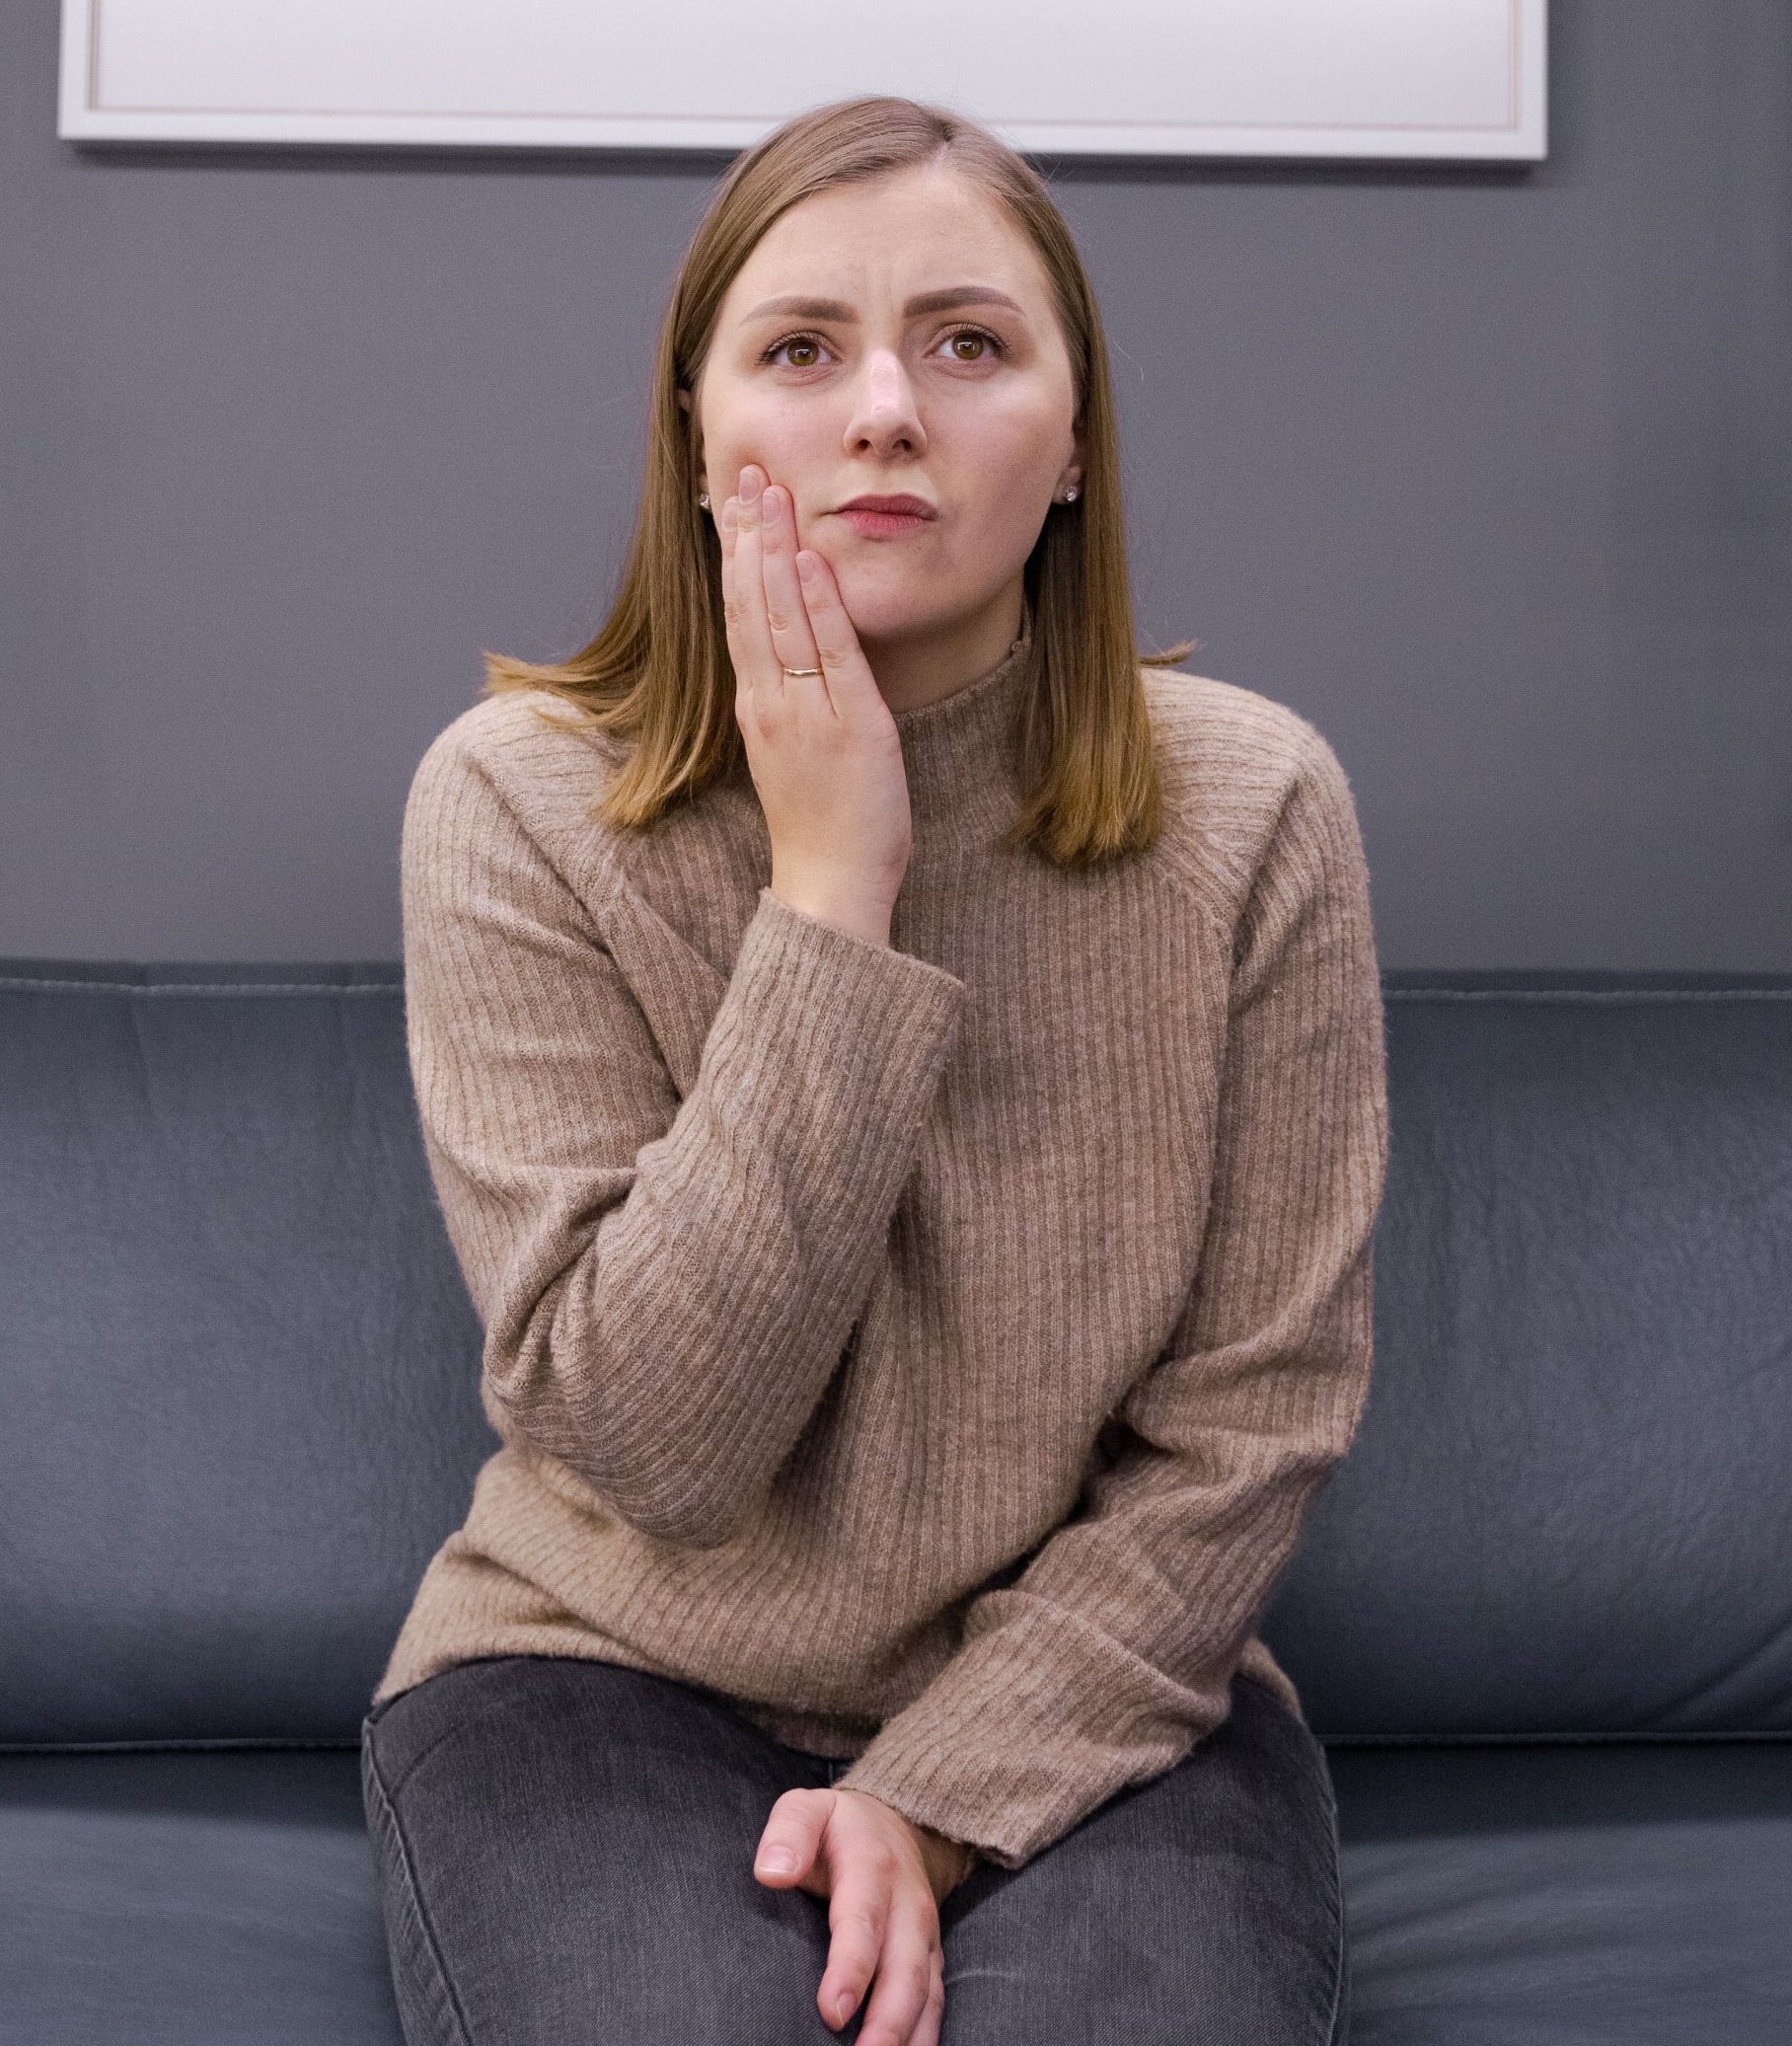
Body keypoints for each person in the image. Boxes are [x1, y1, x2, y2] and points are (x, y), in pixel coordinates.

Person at [361, 91, 1386, 2046]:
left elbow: (1249, 1432)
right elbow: (654, 1441)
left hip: (1109, 1692)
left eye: (971, 345)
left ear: (1075, 442)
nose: (888, 411)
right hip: (603, 1666)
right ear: (700, 430)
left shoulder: (1260, 809)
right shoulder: (513, 801)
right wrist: (838, 895)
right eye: (803, 349)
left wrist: (941, 1785)